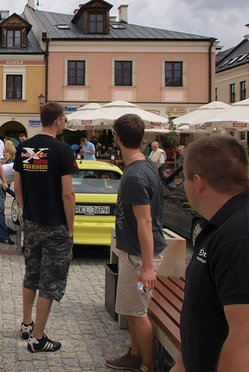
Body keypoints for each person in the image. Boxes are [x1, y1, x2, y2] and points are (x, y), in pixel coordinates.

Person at [169, 135, 249, 372]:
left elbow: (244, 339)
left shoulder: (239, 236)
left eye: (184, 179)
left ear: (197, 182)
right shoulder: (221, 226)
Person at [13, 102, 76, 353]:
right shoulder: (62, 150)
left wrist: (27, 211)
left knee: (32, 274)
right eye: (65, 119)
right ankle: (38, 338)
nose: (66, 123)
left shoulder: (24, 147)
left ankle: (27, 323)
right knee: (49, 281)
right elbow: (68, 194)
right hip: (55, 223)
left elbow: (17, 186)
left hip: (33, 221)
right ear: (58, 120)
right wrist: (70, 229)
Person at [107, 114, 167, 371]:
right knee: (130, 309)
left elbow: (145, 223)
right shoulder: (145, 165)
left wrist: (147, 266)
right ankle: (134, 354)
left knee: (137, 312)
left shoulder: (134, 176)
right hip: (135, 253)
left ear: (117, 137)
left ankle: (148, 365)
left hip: (139, 257)